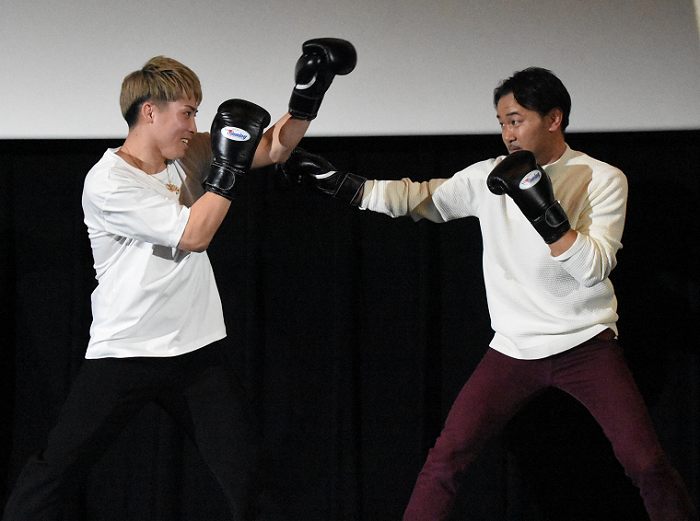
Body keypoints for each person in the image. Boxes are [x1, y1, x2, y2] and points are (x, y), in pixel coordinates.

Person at [279, 67, 698, 521]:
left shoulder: (602, 178)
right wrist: (342, 184)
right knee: (447, 458)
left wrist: (544, 210)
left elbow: (593, 270)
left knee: (647, 464)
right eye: (501, 123)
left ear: (553, 118)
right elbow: (418, 199)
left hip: (586, 345)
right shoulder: (489, 176)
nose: (507, 134)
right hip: (513, 349)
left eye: (516, 120)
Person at [3, 40, 356, 521]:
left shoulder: (188, 153)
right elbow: (194, 235)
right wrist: (227, 169)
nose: (194, 126)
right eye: (187, 113)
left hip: (195, 351)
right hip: (127, 350)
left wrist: (307, 96)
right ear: (149, 111)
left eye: (196, 115)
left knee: (248, 479)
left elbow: (273, 148)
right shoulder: (108, 181)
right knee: (55, 473)